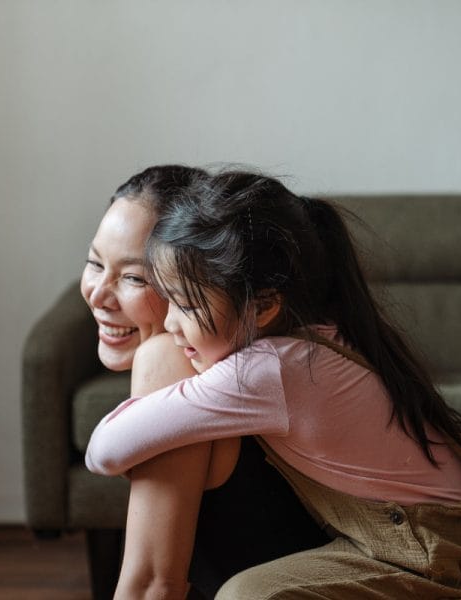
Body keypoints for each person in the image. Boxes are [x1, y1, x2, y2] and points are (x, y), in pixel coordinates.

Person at [86, 170, 461, 599]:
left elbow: (104, 450)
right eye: (93, 262)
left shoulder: (269, 369)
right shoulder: (309, 338)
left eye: (181, 300)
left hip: (434, 558)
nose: (171, 323)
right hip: (419, 544)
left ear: (266, 304)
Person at [81, 165, 326, 599]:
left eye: (134, 277)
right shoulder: (255, 351)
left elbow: (153, 584)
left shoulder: (168, 358)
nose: (98, 294)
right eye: (94, 263)